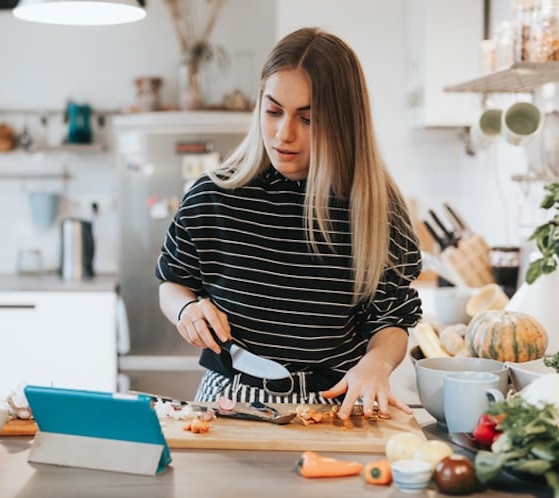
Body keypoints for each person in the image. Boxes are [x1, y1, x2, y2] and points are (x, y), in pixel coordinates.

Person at [155, 27, 423, 420]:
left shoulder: (377, 211)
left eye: (308, 118)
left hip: (336, 405)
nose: (284, 134)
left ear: (344, 122)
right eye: (273, 110)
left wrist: (377, 364)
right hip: (229, 400)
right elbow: (173, 282)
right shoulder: (213, 195)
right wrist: (185, 310)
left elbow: (392, 320)